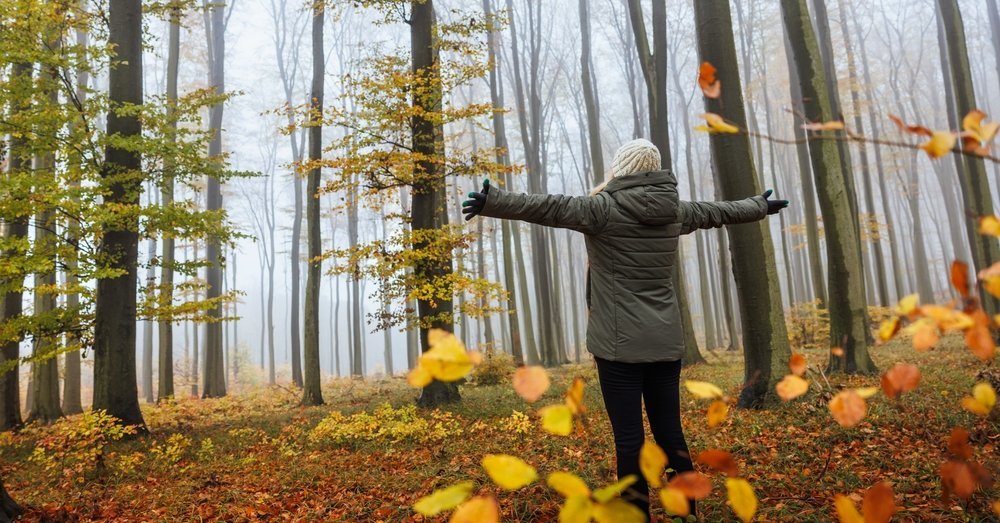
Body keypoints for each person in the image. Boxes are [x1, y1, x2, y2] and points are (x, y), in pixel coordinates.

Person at [462, 139, 788, 519]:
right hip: (665, 342)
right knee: (670, 433)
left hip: (618, 348)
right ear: (654, 169)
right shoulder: (676, 211)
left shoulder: (601, 208)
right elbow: (720, 212)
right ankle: (688, 512)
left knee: (629, 440)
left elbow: (547, 207)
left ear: (620, 168)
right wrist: (759, 206)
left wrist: (492, 201)